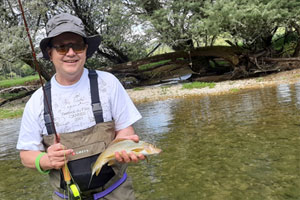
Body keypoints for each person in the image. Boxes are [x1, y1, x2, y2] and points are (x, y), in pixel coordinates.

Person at [16, 13, 144, 200]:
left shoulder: (108, 83)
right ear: (50, 53)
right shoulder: (36, 102)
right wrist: (46, 160)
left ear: (85, 49)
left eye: (76, 45)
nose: (70, 53)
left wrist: (123, 147)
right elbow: (26, 155)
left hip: (116, 192)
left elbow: (125, 130)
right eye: (61, 47)